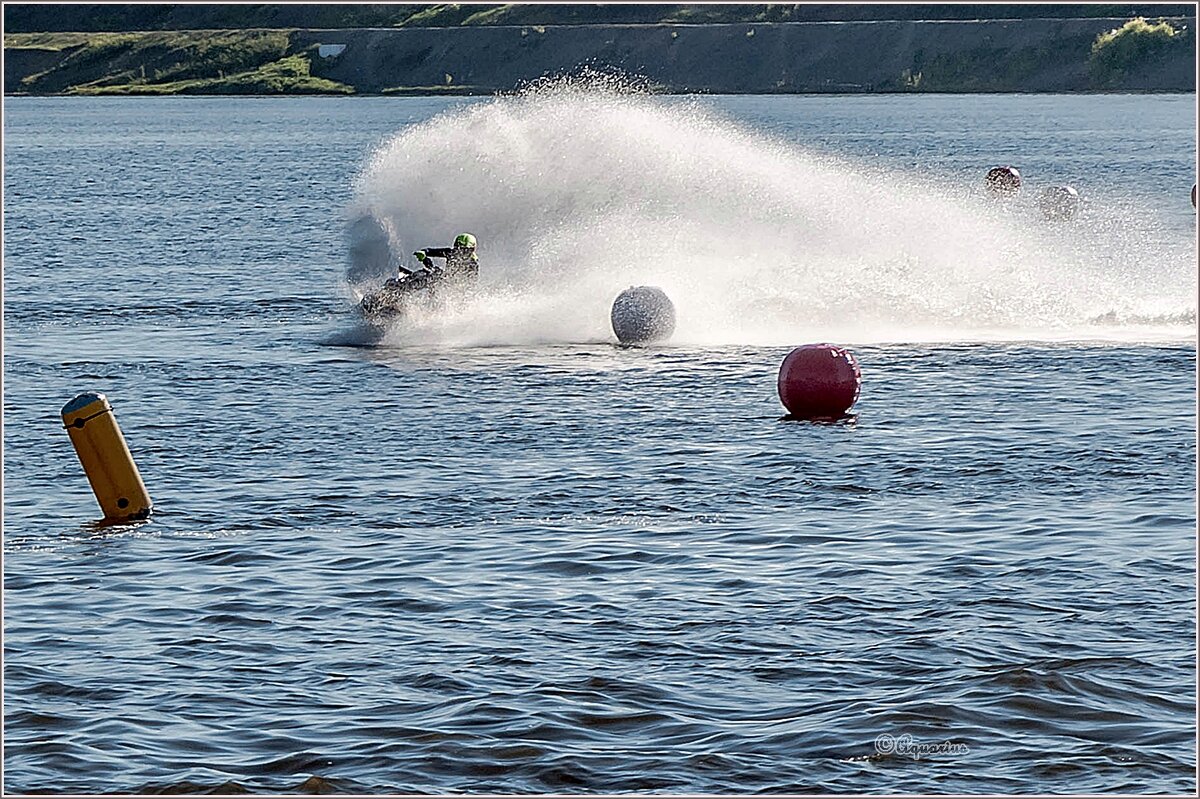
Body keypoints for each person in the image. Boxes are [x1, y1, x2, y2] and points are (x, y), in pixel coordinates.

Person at [412, 233, 479, 283]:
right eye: (458, 249)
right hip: (444, 280)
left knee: (435, 275)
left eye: (465, 250)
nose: (461, 252)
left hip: (454, 290)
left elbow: (471, 283)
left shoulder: (473, 263)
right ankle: (405, 285)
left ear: (472, 250)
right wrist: (424, 253)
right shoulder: (451, 252)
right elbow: (431, 251)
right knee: (430, 273)